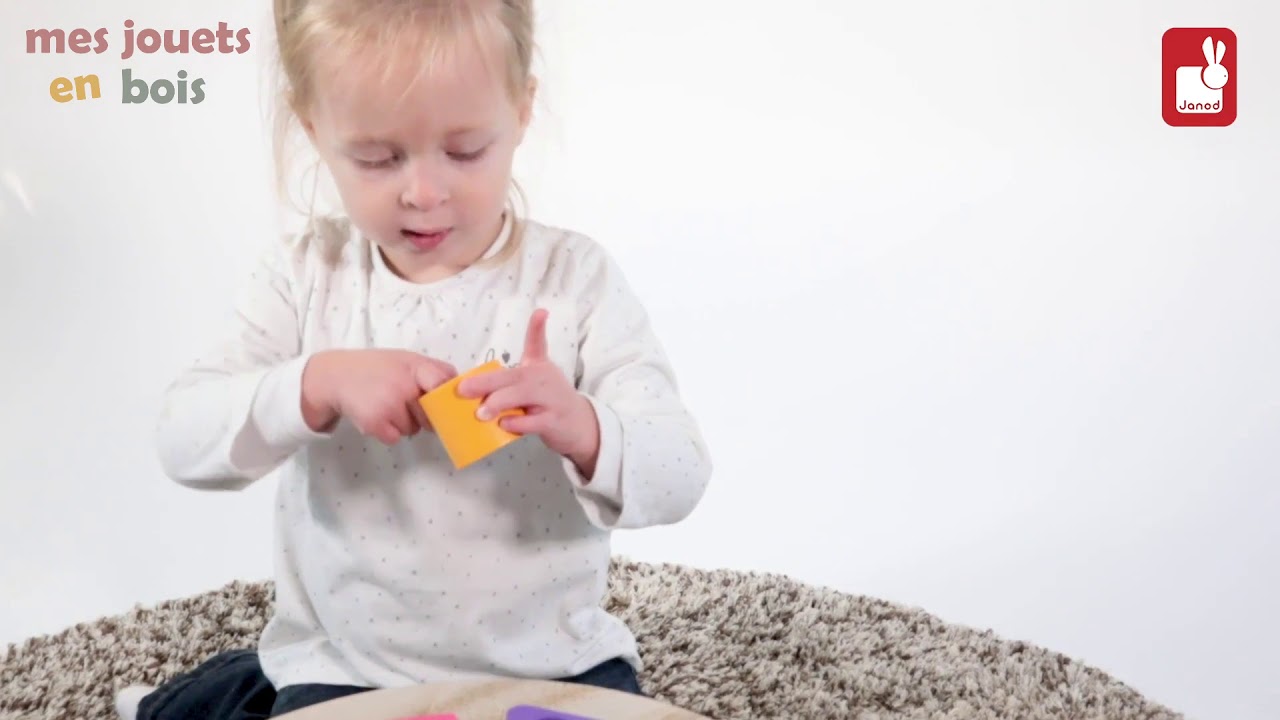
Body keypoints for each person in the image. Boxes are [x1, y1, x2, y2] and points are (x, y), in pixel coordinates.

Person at [114, 1, 712, 718]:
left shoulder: (575, 282)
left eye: (466, 151)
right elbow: (181, 439)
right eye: (377, 158)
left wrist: (585, 427)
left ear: (522, 110)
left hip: (560, 663)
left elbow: (682, 469)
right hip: (352, 669)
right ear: (314, 127)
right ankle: (205, 698)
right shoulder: (305, 277)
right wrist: (314, 384)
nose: (424, 194)